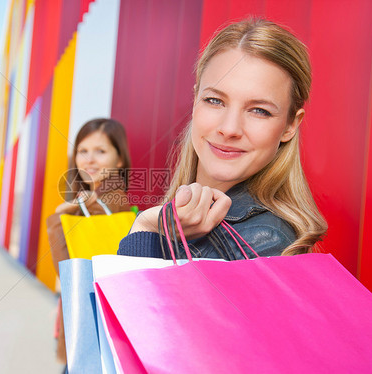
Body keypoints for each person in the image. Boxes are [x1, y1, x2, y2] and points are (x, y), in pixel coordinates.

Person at [119, 18, 327, 260]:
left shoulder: (264, 239)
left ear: (290, 125)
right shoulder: (179, 216)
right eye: (215, 101)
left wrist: (147, 227)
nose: (229, 129)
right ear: (196, 99)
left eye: (259, 110)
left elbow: (137, 299)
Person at [46, 117, 132, 366]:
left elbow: (68, 271)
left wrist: (61, 214)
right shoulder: (94, 200)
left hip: (93, 324)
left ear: (119, 159)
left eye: (100, 151)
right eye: (82, 151)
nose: (88, 159)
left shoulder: (101, 206)